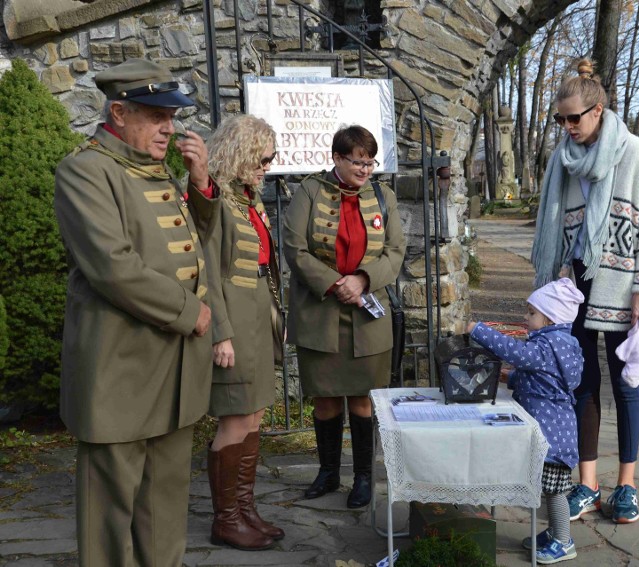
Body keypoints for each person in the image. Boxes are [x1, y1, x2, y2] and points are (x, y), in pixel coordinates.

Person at [54, 58, 214, 566]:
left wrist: (199, 181)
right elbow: (112, 268)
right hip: (120, 368)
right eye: (155, 115)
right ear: (119, 112)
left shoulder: (153, 168)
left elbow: (192, 249)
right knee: (110, 512)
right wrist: (191, 313)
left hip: (172, 366)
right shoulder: (85, 170)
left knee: (164, 504)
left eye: (171, 116)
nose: (169, 127)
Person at [531, 57, 639, 524]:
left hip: (623, 284)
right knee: (582, 382)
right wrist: (559, 275)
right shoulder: (563, 162)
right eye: (560, 120)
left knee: (626, 382)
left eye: (574, 118)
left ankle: (626, 485)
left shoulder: (634, 152)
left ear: (598, 110)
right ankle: (587, 482)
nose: (567, 127)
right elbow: (559, 227)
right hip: (576, 282)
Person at [281, 125, 405, 508]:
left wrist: (364, 279)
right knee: (326, 399)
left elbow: (396, 250)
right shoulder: (310, 191)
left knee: (363, 400)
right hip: (320, 311)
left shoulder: (383, 195)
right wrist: (336, 283)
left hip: (367, 315)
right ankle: (328, 472)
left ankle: (364, 478)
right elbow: (294, 246)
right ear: (336, 158)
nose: (366, 169)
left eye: (370, 162)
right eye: (357, 162)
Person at [191, 115, 285, 550]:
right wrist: (221, 335)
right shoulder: (216, 200)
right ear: (241, 153)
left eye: (270, 159)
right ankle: (226, 519)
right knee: (235, 417)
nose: (267, 166)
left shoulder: (248, 199)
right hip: (233, 323)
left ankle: (244, 510)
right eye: (262, 158)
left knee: (255, 415)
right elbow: (206, 271)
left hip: (257, 320)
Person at [467, 278, 585, 564]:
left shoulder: (548, 346)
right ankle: (556, 531)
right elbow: (544, 380)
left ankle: (563, 541)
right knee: (549, 488)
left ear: (550, 318)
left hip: (553, 437)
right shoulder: (556, 343)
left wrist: (478, 330)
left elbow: (517, 354)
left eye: (531, 313)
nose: (525, 317)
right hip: (554, 430)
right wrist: (514, 378)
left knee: (555, 492)